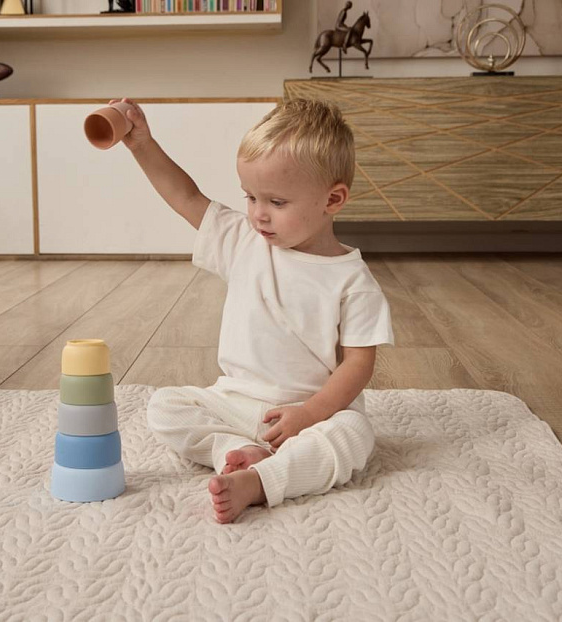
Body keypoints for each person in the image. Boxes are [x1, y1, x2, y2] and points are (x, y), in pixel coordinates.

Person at [111, 96, 393, 523]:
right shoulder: (244, 242)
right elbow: (186, 197)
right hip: (236, 404)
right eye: (250, 197)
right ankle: (236, 452)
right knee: (165, 406)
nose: (259, 215)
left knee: (354, 434)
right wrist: (141, 145)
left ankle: (263, 481)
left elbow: (359, 364)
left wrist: (310, 414)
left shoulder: (351, 280)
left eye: (277, 202)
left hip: (311, 411)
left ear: (332, 199)